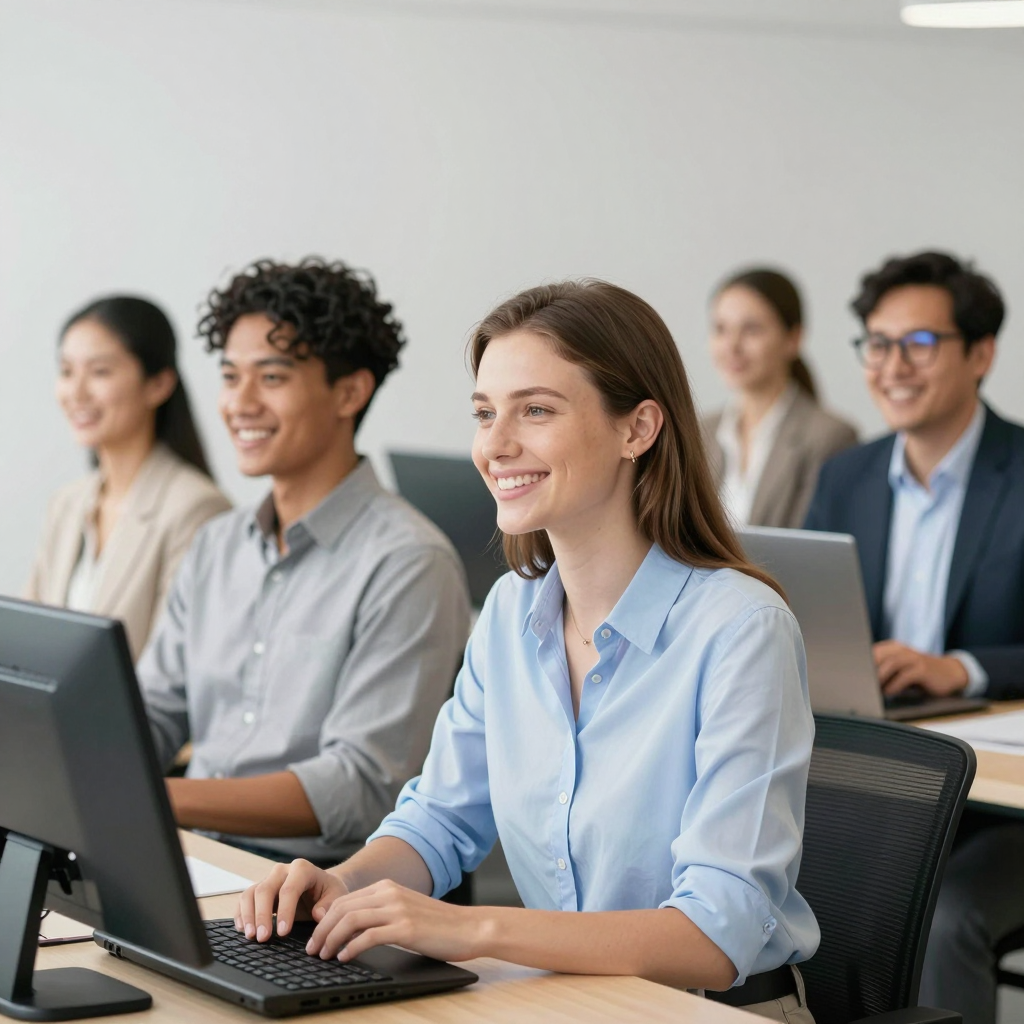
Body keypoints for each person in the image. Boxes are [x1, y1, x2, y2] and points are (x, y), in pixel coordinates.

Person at [237, 280, 820, 1020]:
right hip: (561, 1004)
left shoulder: (740, 630)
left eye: (535, 410)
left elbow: (715, 931)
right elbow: (442, 821)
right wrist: (343, 886)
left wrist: (473, 929)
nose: (496, 445)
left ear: (637, 429)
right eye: (485, 414)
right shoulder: (513, 611)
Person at [137, 258, 470, 865]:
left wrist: (150, 799)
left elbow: (359, 786)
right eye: (230, 375)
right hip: (189, 856)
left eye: (271, 377)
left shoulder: (409, 561)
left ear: (349, 392)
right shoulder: (217, 544)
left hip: (313, 888)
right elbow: (152, 712)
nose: (239, 403)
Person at [803, 251, 1024, 1024]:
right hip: (870, 766)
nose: (892, 366)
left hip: (1000, 810)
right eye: (877, 343)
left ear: (981, 354)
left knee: (945, 915)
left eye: (919, 344)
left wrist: (957, 668)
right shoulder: (845, 477)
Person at [26, 296, 230, 660]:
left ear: (158, 385)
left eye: (100, 372)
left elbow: (171, 673)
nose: (76, 392)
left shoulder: (197, 510)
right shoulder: (68, 503)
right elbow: (28, 646)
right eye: (67, 371)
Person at [703, 268, 858, 528]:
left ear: (793, 338)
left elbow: (812, 551)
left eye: (751, 330)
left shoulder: (829, 438)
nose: (732, 346)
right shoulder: (700, 432)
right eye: (721, 329)